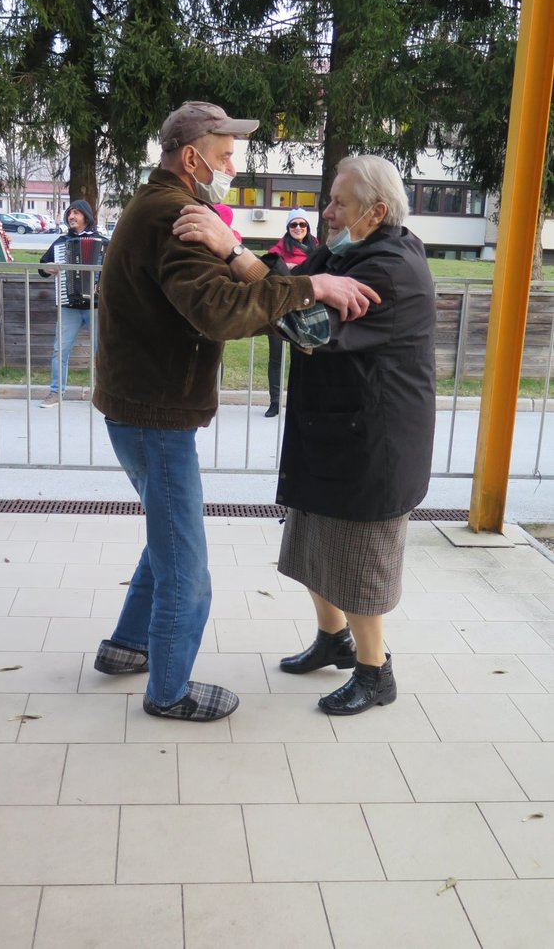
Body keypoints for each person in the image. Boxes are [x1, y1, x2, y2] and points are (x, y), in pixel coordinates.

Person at [92, 100, 379, 722]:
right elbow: (219, 309)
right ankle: (169, 691)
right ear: (192, 157)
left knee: (167, 539)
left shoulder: (159, 205)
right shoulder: (176, 215)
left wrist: (243, 255)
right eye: (225, 157)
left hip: (140, 408)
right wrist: (313, 285)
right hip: (155, 415)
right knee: (187, 571)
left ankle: (127, 646)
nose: (232, 168)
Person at [173, 153, 437, 716]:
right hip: (334, 429)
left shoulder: (386, 268)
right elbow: (290, 287)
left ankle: (375, 672)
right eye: (331, 199)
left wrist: (232, 251)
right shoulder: (347, 252)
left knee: (361, 560)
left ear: (377, 211)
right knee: (314, 543)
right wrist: (242, 265)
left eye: (340, 202)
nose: (328, 211)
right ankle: (332, 640)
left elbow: (302, 322)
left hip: (374, 443)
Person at [38, 200, 107, 407]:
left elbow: (116, 269)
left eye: (76, 213)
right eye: (70, 213)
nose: (71, 217)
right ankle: (56, 392)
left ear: (86, 216)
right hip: (69, 306)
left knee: (102, 352)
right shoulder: (60, 243)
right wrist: (47, 268)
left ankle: (103, 394)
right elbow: (42, 266)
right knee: (60, 350)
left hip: (95, 307)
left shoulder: (103, 242)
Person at [264, 209, 319, 417]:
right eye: (293, 225)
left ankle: (303, 401)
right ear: (287, 228)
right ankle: (275, 402)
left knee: (305, 358)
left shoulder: (317, 249)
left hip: (306, 310)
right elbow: (268, 274)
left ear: (308, 227)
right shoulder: (278, 249)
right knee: (276, 357)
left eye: (302, 225)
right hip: (279, 309)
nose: (298, 228)